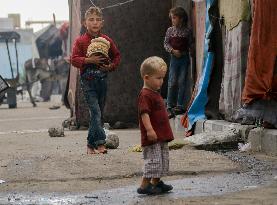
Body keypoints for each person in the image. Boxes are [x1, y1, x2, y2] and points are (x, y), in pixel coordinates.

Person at [71, 6, 120, 154]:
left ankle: (89, 145)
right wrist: (88, 60)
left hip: (102, 81)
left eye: (98, 20)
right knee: (96, 112)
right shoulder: (81, 41)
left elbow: (117, 56)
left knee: (98, 114)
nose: (95, 22)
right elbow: (73, 59)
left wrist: (111, 66)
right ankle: (100, 143)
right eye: (91, 20)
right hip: (87, 81)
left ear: (102, 23)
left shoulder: (106, 40)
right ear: (85, 23)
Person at [137, 56, 174, 195]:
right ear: (146, 78)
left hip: (161, 136)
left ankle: (156, 182)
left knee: (162, 160)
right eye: (158, 78)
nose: (161, 81)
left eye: (162, 78)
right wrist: (149, 130)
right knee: (153, 161)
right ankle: (144, 185)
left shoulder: (155, 93)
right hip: (152, 136)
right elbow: (144, 114)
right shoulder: (145, 95)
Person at [164, 7, 193, 117]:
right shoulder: (170, 30)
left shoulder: (187, 31)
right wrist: (172, 51)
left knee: (182, 81)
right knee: (172, 81)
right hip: (174, 59)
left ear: (181, 18)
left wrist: (191, 52)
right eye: (172, 18)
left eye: (174, 18)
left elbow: (190, 44)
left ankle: (180, 105)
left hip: (184, 58)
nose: (173, 20)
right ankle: (169, 106)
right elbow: (166, 43)